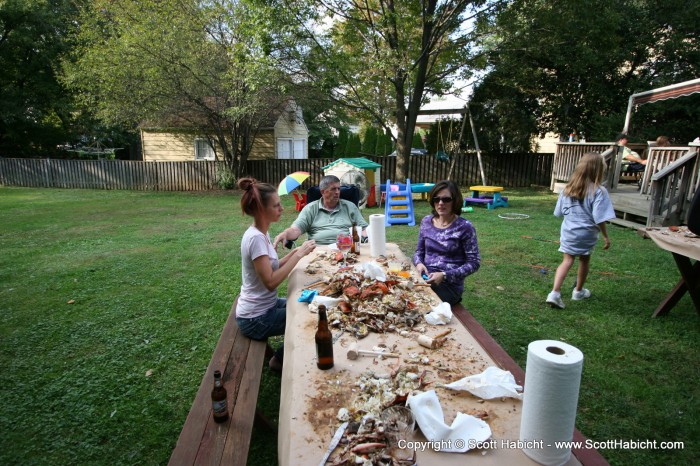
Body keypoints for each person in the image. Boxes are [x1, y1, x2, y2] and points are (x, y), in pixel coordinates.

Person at [236, 177, 317, 372]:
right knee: (309, 317)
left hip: (263, 307)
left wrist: (294, 253)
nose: (281, 209)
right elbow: (270, 282)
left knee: (307, 302)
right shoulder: (255, 238)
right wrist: (298, 254)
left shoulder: (261, 233)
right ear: (262, 210)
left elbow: (272, 266)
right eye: (276, 206)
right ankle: (278, 361)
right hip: (255, 318)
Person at [546, 153, 616, 309]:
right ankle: (578, 292)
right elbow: (600, 218)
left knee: (567, 260)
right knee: (584, 259)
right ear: (598, 170)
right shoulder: (599, 191)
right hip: (587, 233)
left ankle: (554, 293)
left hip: (568, 231)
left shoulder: (567, 189)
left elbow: (559, 213)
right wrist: (606, 237)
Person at [413, 180, 480, 305]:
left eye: (446, 199)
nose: (440, 203)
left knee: (417, 304)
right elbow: (419, 251)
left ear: (455, 201)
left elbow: (474, 263)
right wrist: (419, 264)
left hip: (449, 286)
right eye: (436, 199)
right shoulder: (426, 222)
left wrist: (444, 275)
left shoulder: (465, 227)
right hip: (424, 279)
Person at [273, 175, 369, 247]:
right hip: (317, 252)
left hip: (345, 250)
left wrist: (367, 237)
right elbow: (296, 230)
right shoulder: (310, 208)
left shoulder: (349, 207)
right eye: (333, 189)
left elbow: (364, 229)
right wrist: (285, 233)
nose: (337, 192)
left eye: (339, 189)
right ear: (323, 191)